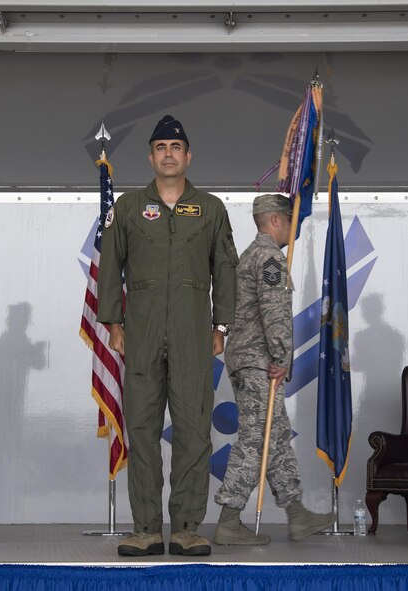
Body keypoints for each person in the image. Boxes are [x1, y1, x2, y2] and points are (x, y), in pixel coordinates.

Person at [97, 115, 238, 557]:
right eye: (160, 146)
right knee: (140, 429)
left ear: (188, 155)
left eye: (176, 147)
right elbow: (110, 265)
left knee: (194, 431)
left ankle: (187, 528)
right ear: (151, 156)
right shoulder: (129, 207)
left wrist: (221, 326)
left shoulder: (211, 208)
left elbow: (225, 269)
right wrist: (114, 323)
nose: (169, 153)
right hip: (140, 333)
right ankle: (144, 528)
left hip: (194, 334)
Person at [213, 194, 335, 546]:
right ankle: (229, 520)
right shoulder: (269, 257)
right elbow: (274, 312)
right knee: (256, 440)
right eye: (290, 220)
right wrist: (281, 357)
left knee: (275, 437)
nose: (293, 228)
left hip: (248, 359)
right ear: (276, 220)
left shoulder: (251, 254)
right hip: (260, 362)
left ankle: (296, 514)